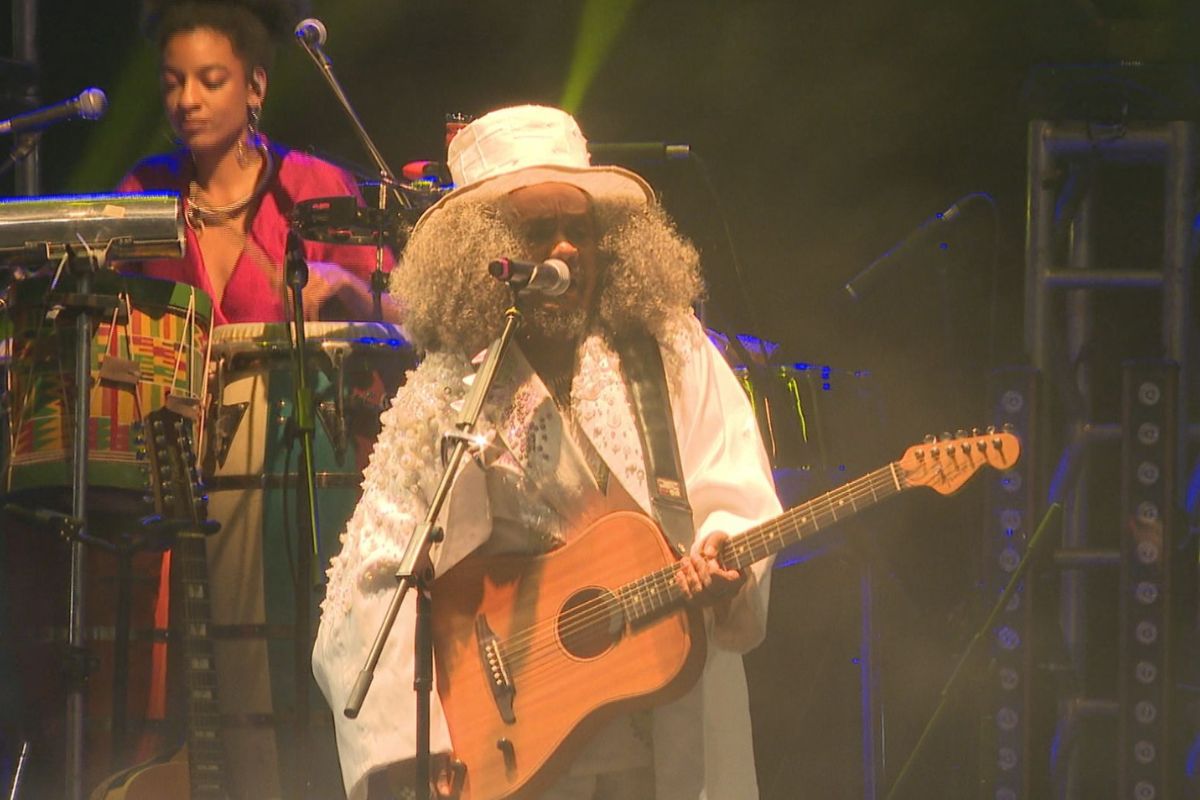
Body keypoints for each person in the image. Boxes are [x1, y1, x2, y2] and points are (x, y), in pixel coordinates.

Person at [313, 105, 783, 800]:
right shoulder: (447, 395)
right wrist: (427, 746)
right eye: (540, 232)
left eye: (581, 230)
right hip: (525, 748)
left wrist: (726, 558)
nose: (566, 250)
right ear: (485, 258)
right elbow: (368, 588)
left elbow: (737, 490)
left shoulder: (673, 351)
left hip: (674, 723)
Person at [118, 0, 398, 324]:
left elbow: (407, 317)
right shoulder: (146, 187)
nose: (187, 100)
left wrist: (344, 283)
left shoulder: (313, 185)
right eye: (173, 84)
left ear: (255, 87)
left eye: (211, 81)